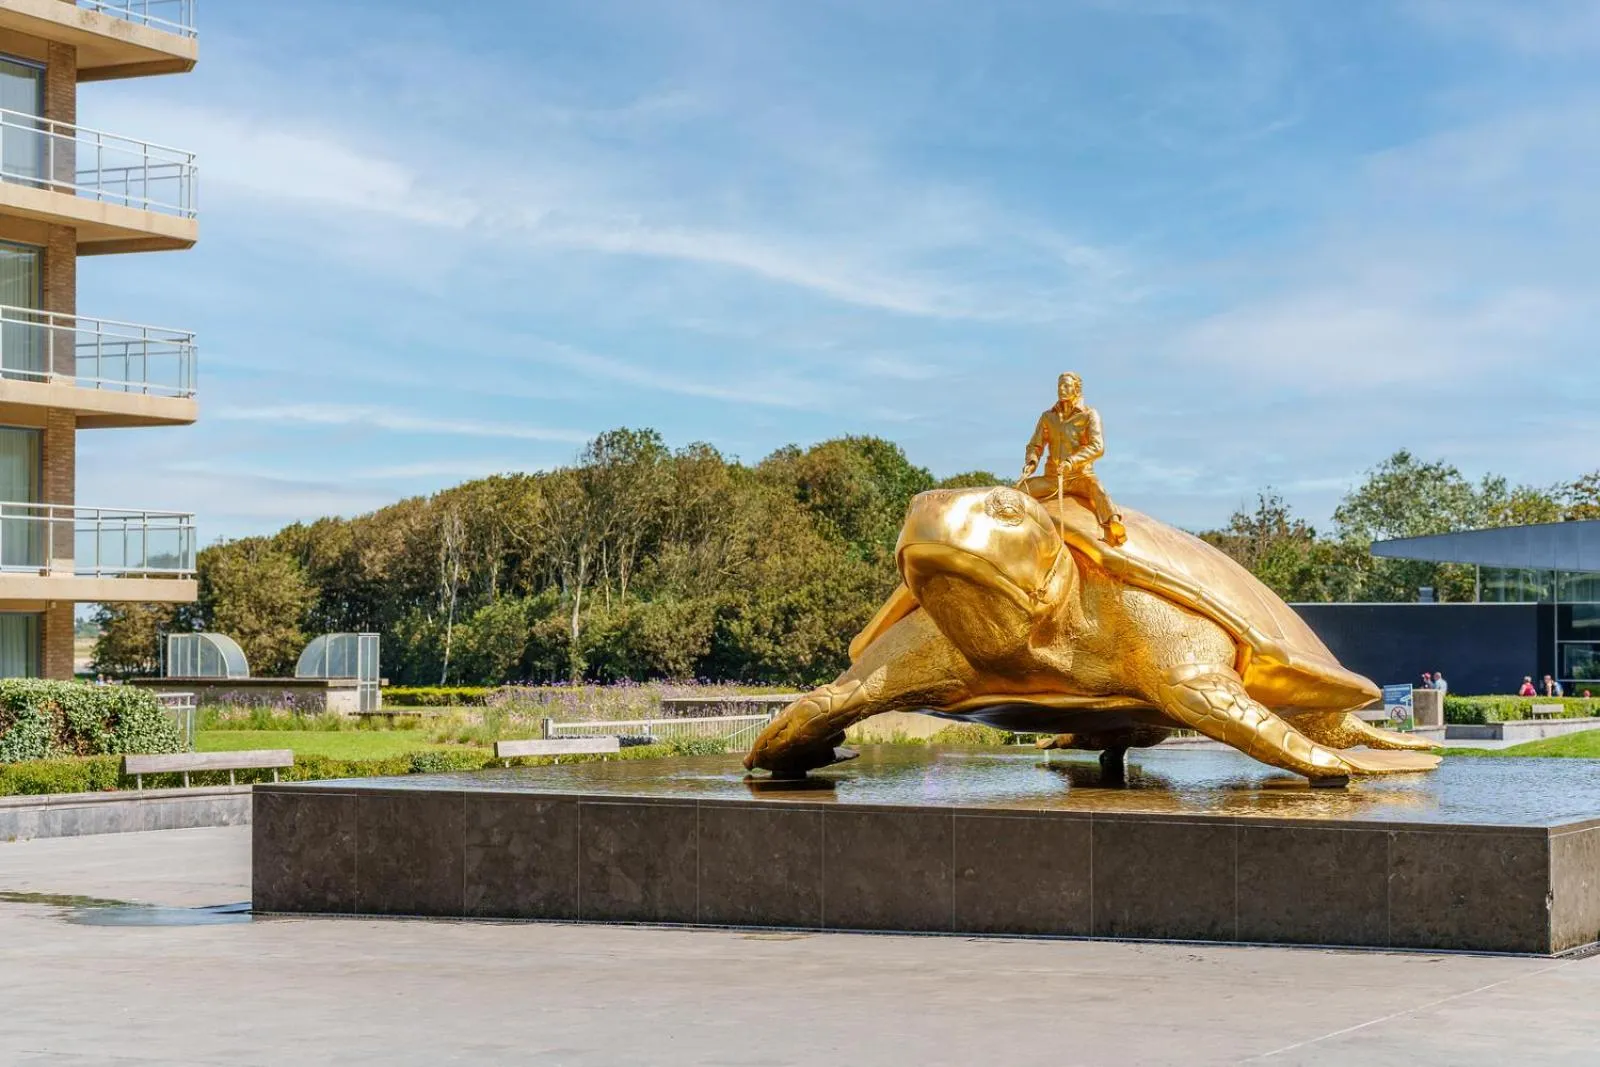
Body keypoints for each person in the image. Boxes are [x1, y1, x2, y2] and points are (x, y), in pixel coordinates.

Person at [1018, 372, 1127, 546]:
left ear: (1076, 389)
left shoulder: (1089, 415)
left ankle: (1113, 524)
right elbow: (1035, 445)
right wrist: (1032, 461)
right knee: (1018, 491)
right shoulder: (1048, 417)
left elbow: (1097, 447)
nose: (1062, 389)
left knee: (1097, 489)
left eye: (1067, 386)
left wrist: (1071, 461)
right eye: (1059, 386)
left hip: (1080, 477)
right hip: (1053, 478)